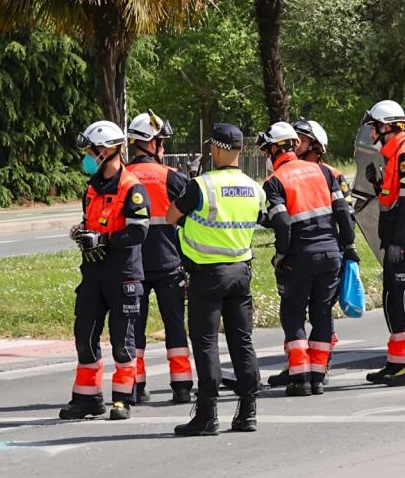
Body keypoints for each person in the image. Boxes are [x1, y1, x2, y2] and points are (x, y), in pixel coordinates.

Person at [168, 123, 265, 436]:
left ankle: (207, 415)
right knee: (242, 341)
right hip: (241, 272)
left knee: (206, 343)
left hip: (207, 273)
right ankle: (248, 412)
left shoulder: (202, 185)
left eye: (212, 146)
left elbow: (171, 216)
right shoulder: (255, 187)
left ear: (219, 149)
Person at [60, 121, 150, 421]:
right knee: (84, 335)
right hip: (93, 275)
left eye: (91, 150)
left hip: (123, 275)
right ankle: (88, 400)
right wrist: (83, 232)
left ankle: (122, 399)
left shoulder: (132, 187)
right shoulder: (92, 187)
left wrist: (105, 240)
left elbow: (138, 232)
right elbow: (92, 222)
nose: (87, 155)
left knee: (122, 341)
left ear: (108, 150)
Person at [258, 122, 357, 396]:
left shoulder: (275, 181)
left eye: (268, 149)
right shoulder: (323, 173)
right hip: (330, 256)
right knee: (322, 314)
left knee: (292, 314)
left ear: (276, 148)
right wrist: (348, 246)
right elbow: (343, 215)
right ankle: (316, 375)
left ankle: (300, 378)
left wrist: (281, 256)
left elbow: (282, 224)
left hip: (299, 258)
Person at [361, 101, 405, 387]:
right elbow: (393, 199)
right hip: (396, 241)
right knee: (394, 303)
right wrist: (378, 185)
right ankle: (397, 364)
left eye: (375, 127)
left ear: (388, 126)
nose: (372, 133)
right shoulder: (393, 158)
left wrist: (399, 242)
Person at [125, 110, 194, 404]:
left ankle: (136, 387)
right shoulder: (172, 178)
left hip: (132, 267)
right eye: (162, 142)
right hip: (168, 264)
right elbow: (192, 216)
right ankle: (181, 386)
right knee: (175, 325)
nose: (164, 148)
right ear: (150, 143)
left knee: (133, 329)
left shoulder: (123, 178)